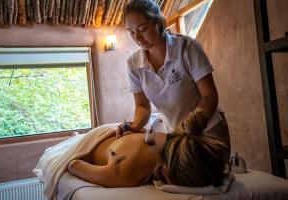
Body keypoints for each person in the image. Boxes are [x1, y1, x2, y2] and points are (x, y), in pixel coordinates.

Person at [116, 0, 230, 159]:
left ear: (158, 23)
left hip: (208, 131)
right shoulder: (134, 64)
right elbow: (142, 106)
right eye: (132, 32)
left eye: (143, 29)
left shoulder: (187, 48)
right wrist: (135, 125)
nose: (138, 38)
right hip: (176, 136)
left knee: (213, 181)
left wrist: (186, 129)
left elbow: (209, 97)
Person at [68, 127, 228, 188]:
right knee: (72, 142)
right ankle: (75, 137)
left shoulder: (172, 139)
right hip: (92, 141)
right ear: (166, 172)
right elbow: (74, 165)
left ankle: (76, 135)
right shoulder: (126, 170)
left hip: (114, 134)